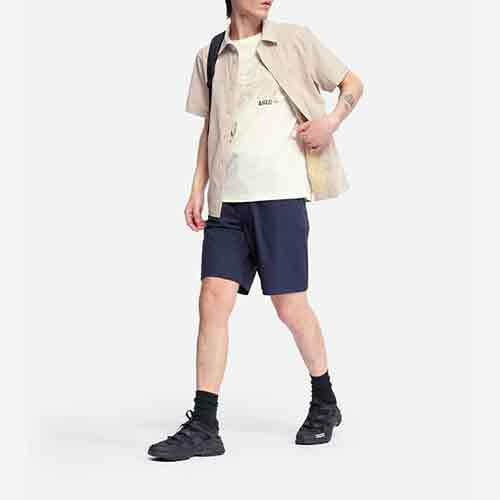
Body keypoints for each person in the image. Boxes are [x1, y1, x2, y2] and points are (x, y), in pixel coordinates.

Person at [148, 0, 364, 461]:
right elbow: (210, 129)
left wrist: (330, 122)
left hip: (281, 197)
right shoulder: (210, 54)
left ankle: (325, 400)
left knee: (290, 307)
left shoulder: (296, 39)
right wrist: (196, 189)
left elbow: (352, 83)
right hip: (227, 203)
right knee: (212, 300)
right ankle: (204, 424)